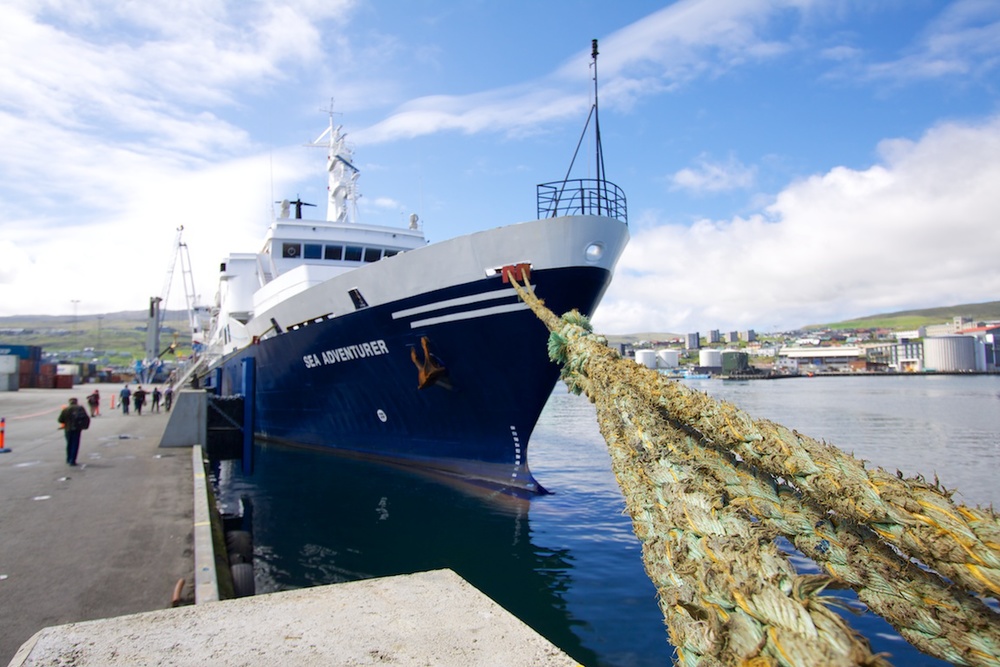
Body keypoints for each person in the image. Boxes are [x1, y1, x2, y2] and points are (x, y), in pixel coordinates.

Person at [57, 397, 90, 466]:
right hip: (77, 429)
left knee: (69, 444)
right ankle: (73, 460)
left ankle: (68, 458)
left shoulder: (66, 409)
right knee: (75, 444)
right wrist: (84, 426)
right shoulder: (80, 408)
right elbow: (86, 418)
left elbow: (60, 420)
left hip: (68, 429)